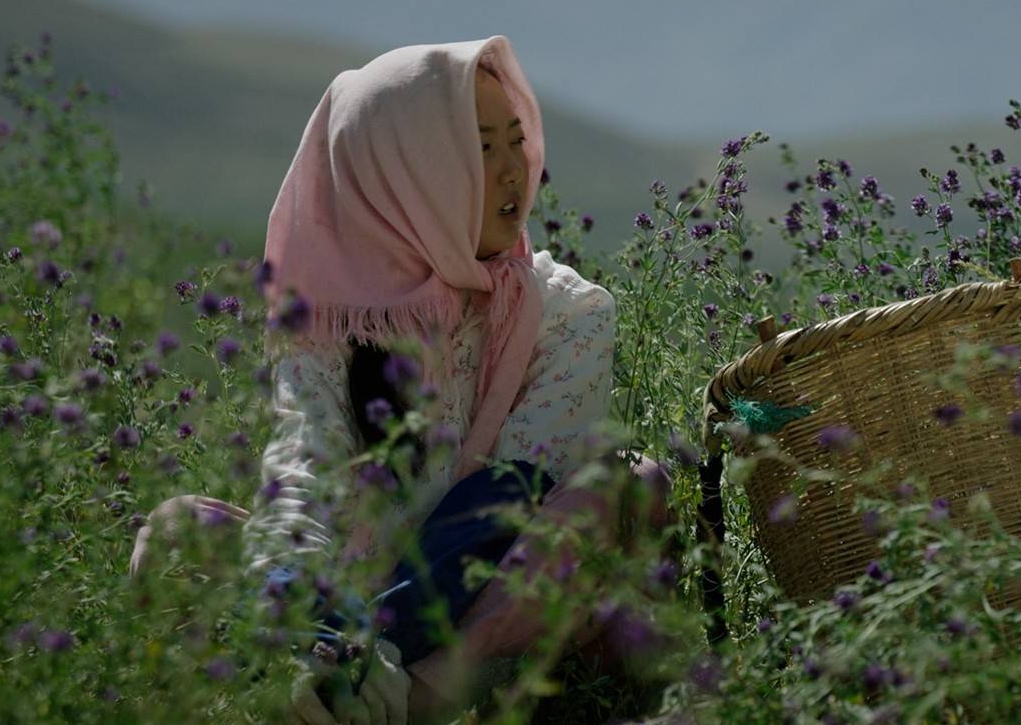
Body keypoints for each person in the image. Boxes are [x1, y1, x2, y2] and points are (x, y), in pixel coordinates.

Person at [129, 38, 676, 724]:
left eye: (516, 141)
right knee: (179, 529)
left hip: (481, 618)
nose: (515, 172)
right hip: (339, 597)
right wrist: (306, 624)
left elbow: (501, 515)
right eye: (480, 150)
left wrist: (374, 648)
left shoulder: (566, 311)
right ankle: (327, 686)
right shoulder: (330, 317)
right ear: (401, 178)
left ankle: (403, 699)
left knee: (627, 485)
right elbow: (305, 474)